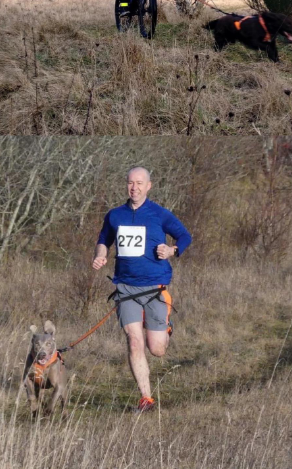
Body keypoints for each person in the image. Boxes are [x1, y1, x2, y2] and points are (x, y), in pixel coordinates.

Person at [92, 166, 191, 413]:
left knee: (157, 349)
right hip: (126, 288)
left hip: (155, 287)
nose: (134, 187)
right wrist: (100, 256)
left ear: (149, 186)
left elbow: (184, 236)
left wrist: (172, 251)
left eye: (139, 183)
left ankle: (164, 325)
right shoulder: (115, 215)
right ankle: (146, 398)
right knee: (134, 341)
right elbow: (103, 240)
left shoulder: (160, 214)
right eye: (130, 183)